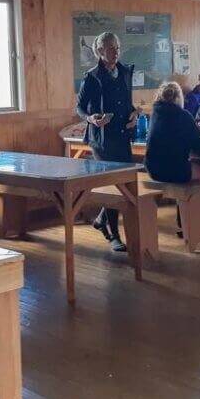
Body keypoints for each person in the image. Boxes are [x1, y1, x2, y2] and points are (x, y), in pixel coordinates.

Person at [76, 32, 137, 253]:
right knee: (113, 184)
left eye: (117, 46)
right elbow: (80, 108)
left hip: (122, 135)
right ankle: (113, 234)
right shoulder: (92, 77)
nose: (116, 51)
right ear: (100, 51)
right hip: (101, 139)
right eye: (111, 48)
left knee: (124, 184)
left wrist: (133, 116)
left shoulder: (125, 70)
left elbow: (128, 103)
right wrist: (91, 118)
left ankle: (102, 219)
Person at [145, 82, 200, 184]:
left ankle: (171, 199)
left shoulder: (155, 114)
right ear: (179, 98)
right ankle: (197, 199)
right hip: (176, 173)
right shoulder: (184, 115)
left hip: (153, 172)